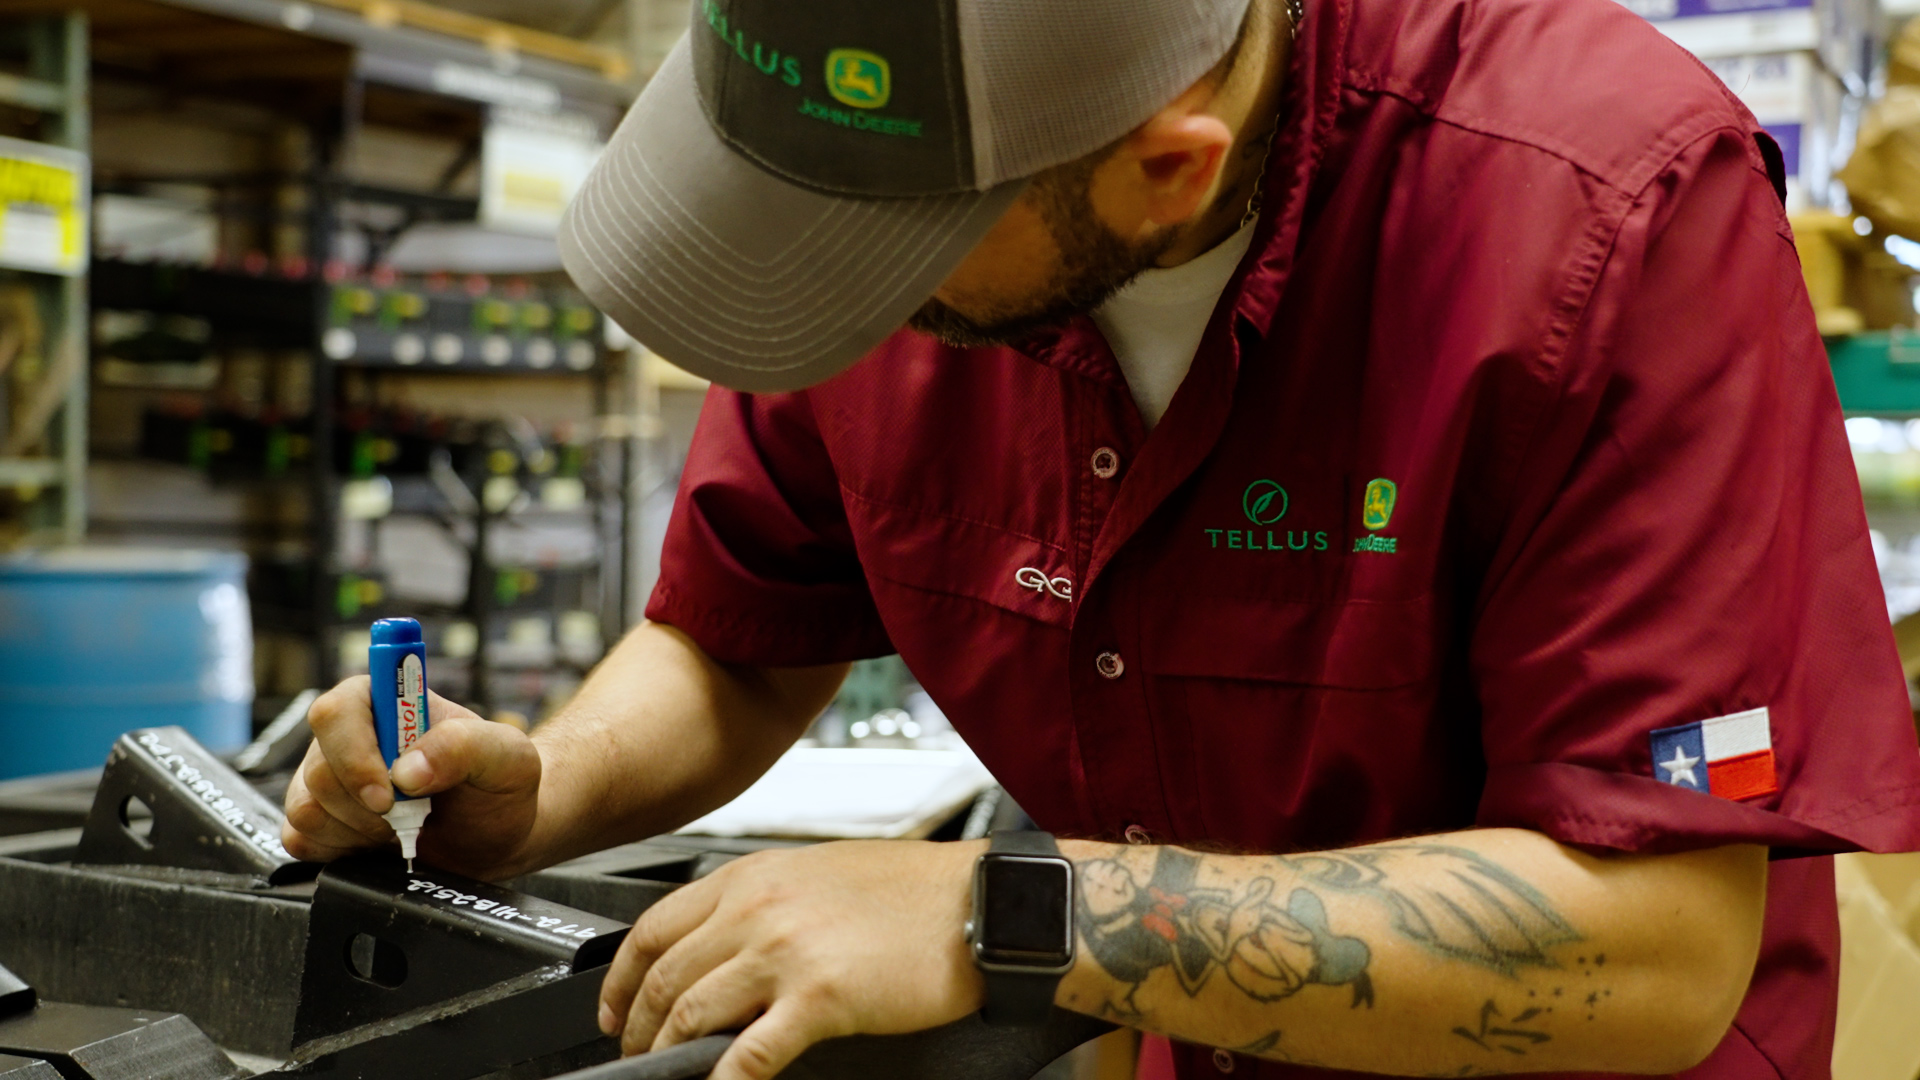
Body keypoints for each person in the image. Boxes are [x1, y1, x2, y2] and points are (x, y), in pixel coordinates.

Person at [283, 0, 1920, 1076]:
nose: (844, 304)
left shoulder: (1603, 215)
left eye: (882, 260)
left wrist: (1003, 910)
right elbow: (741, 626)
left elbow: (1658, 949)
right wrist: (542, 791)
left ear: (1164, 168)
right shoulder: (932, 193)